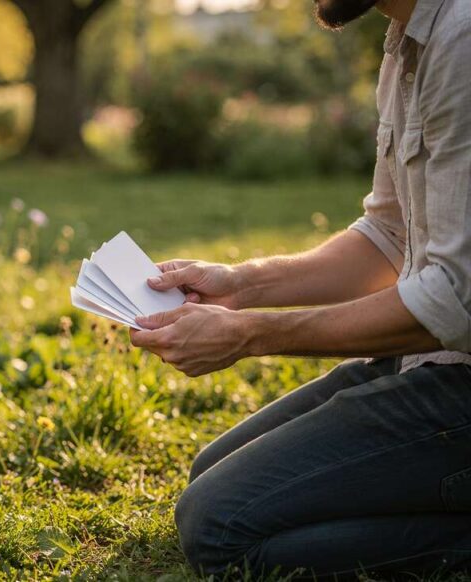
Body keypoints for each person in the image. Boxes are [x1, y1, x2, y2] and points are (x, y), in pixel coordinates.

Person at [128, 0, 471, 577]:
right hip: (430, 360)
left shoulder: (463, 40)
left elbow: (458, 297)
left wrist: (252, 334)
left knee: (219, 528)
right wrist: (240, 284)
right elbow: (389, 233)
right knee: (211, 474)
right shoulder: (407, 39)